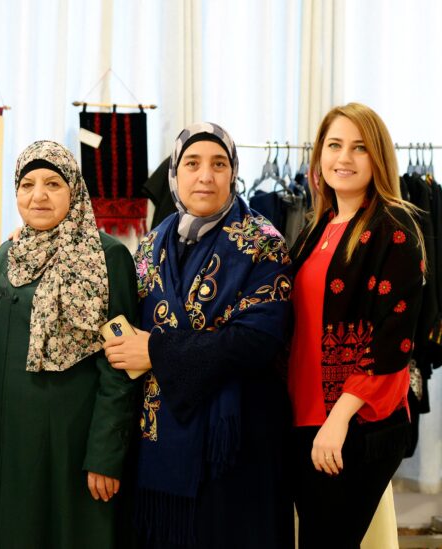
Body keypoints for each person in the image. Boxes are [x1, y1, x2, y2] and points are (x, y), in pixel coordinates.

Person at [104, 122, 294, 548]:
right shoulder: (152, 243)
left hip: (236, 442)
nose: (205, 175)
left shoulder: (264, 243)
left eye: (218, 164)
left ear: (233, 172)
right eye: (192, 163)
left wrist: (156, 351)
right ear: (175, 173)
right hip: (161, 440)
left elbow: (258, 341)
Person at [0, 140, 138, 549]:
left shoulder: (108, 256)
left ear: (74, 189)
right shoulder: (8, 254)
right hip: (7, 440)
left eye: (53, 184)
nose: (39, 196)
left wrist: (105, 453)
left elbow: (120, 365)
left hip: (72, 441)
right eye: (27, 185)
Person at [287, 103, 424, 548]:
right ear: (319, 156)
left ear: (378, 157)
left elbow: (392, 340)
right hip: (306, 417)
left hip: (355, 424)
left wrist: (339, 419)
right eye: (334, 145)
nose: (344, 158)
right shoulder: (319, 227)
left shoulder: (394, 229)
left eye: (359, 147)